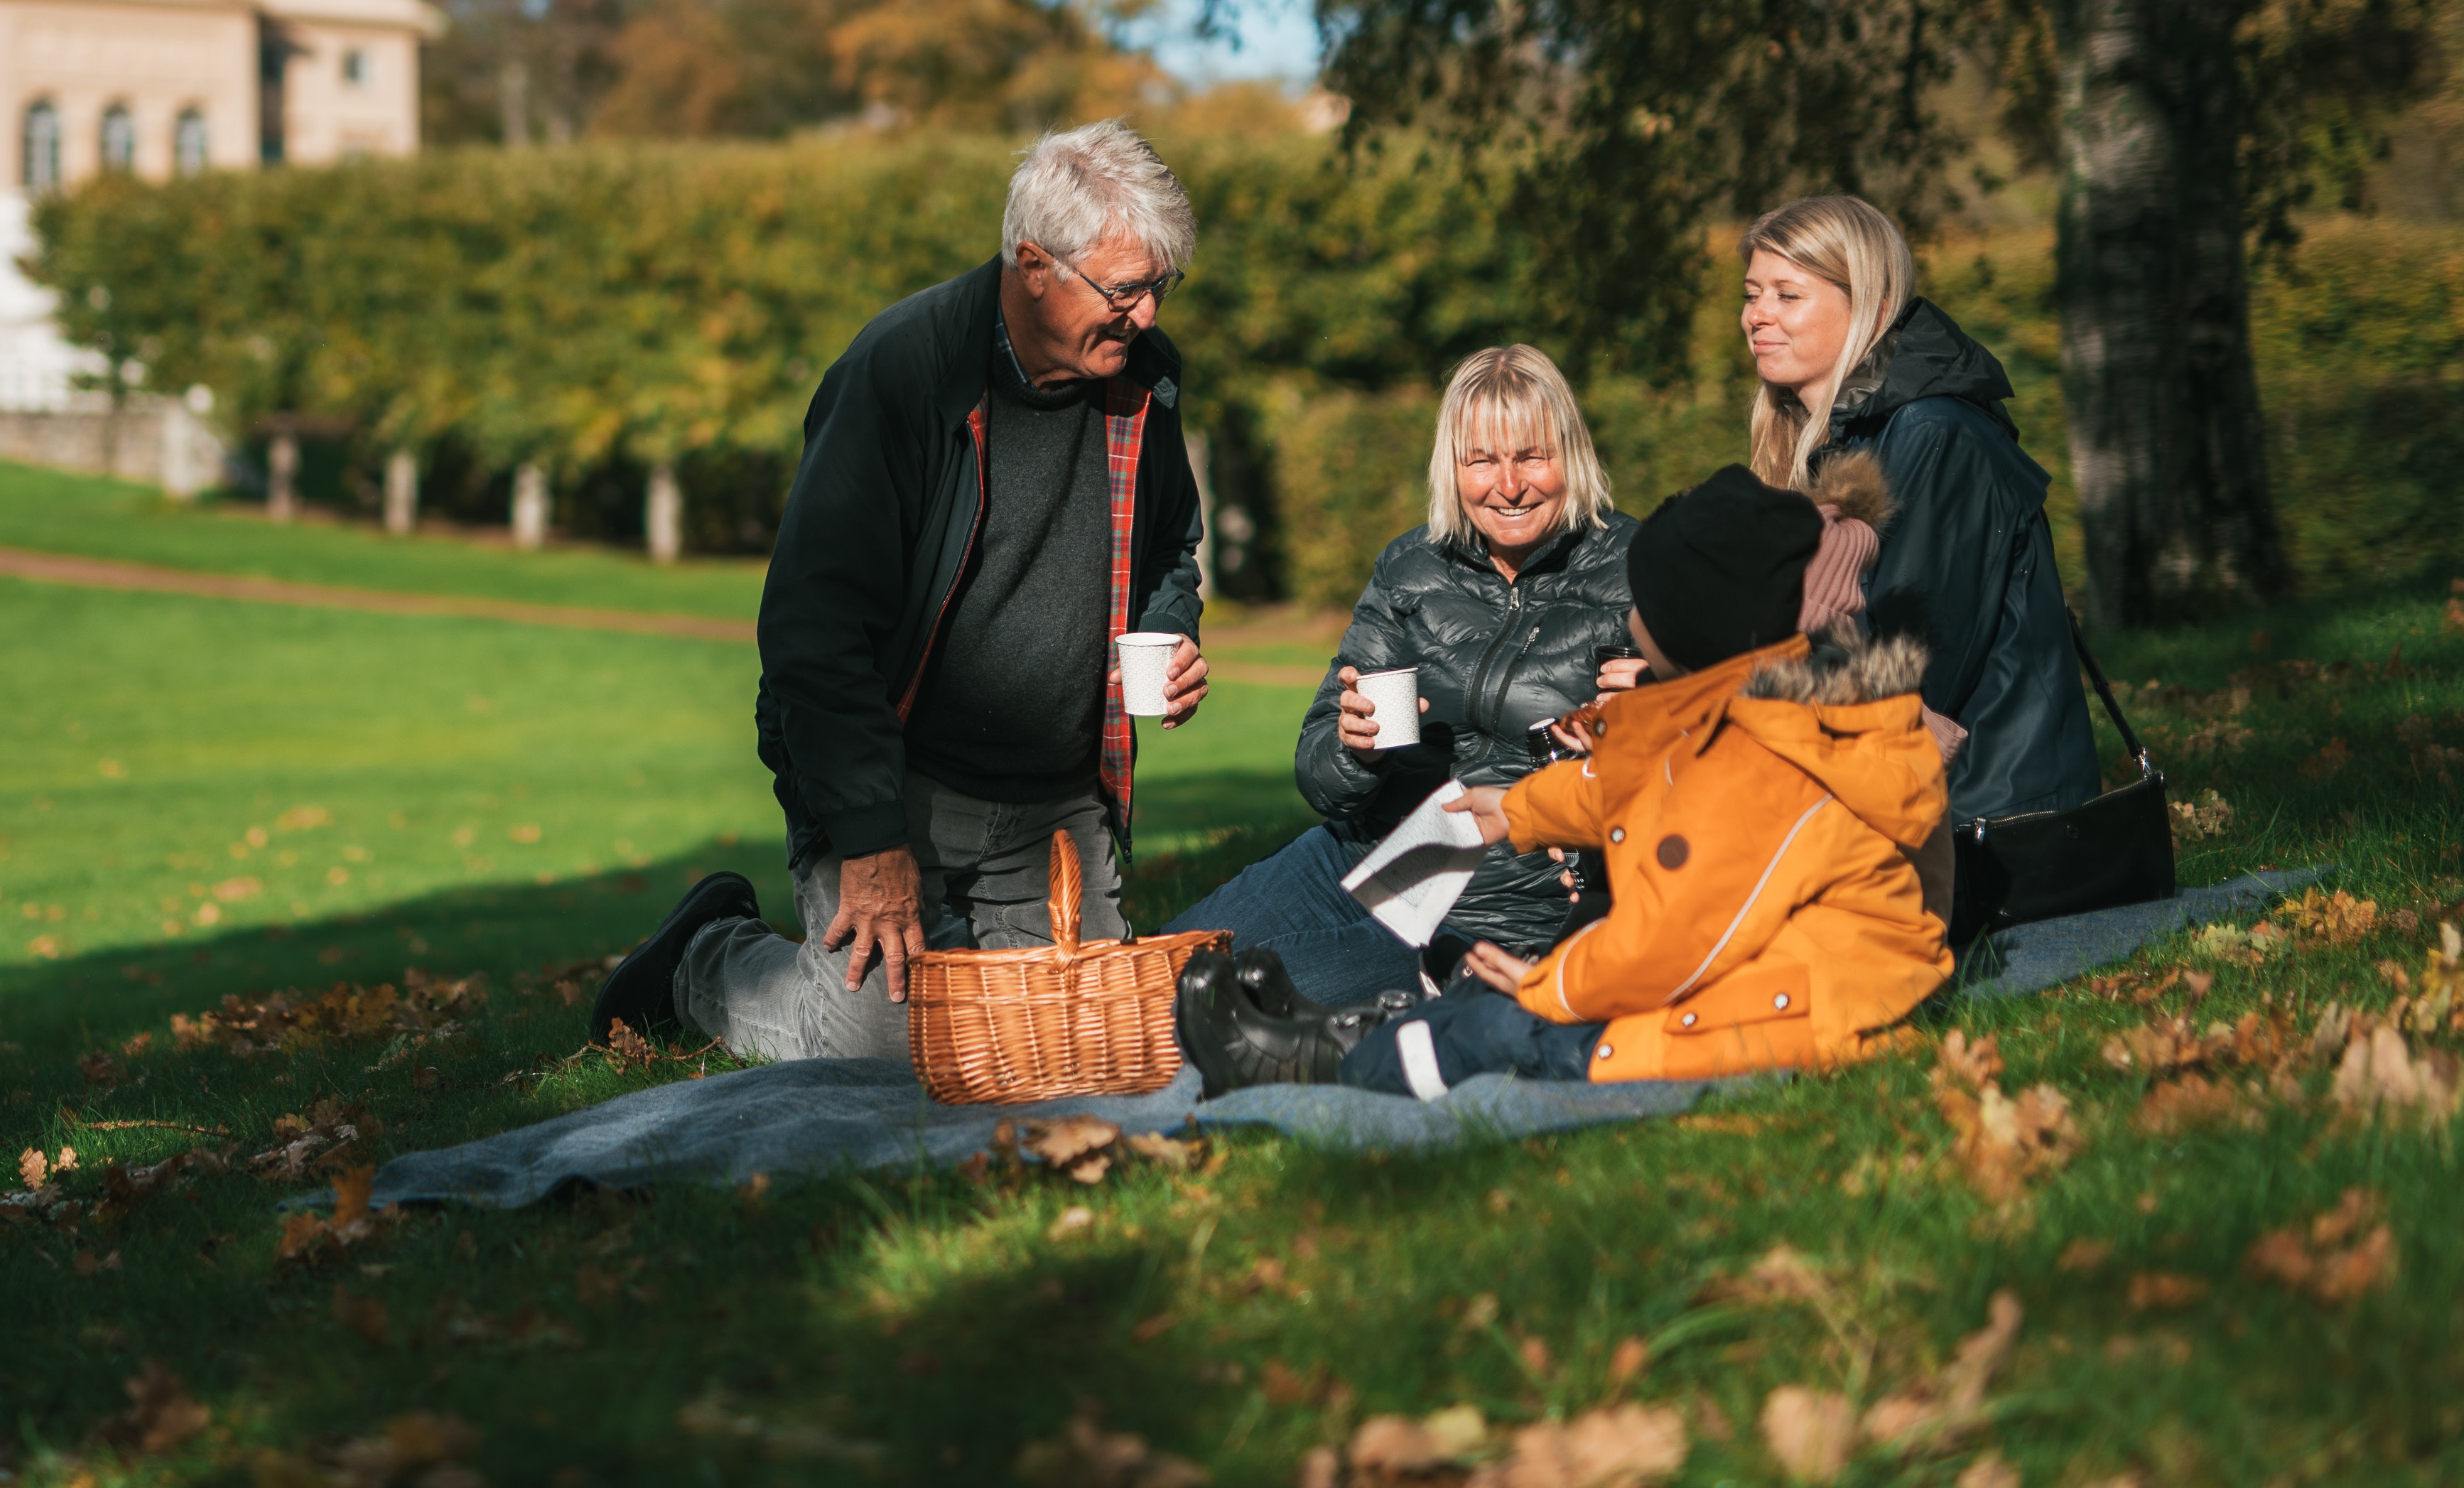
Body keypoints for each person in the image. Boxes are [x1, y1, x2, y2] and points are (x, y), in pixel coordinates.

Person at [588, 122, 1210, 1059]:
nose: (1150, 316)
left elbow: (1170, 547)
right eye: (1127, 290)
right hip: (895, 786)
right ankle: (704, 956)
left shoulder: (1140, 384)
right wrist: (871, 841)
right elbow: (814, 624)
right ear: (1034, 265)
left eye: (1162, 287)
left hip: (1052, 810)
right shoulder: (903, 373)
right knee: (891, 1050)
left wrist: (1167, 630)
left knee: (1073, 1046)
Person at [1222, 460, 1953, 1097]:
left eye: (1645, 606)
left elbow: (1667, 940)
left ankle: (1328, 1074)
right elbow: (1627, 785)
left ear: (1682, 627)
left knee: (1493, 1030)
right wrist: (1517, 807)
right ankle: (1342, 1044)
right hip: (1765, 987)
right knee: (1482, 1010)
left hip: (1788, 1021)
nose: (1630, 617)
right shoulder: (1736, 710)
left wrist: (1550, 986)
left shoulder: (1758, 762)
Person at [1163, 346, 1640, 1048]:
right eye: (1480, 461)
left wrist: (1653, 704)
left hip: (1505, 896)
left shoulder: (1636, 570)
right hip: (1380, 846)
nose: (1505, 486)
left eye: (1530, 457)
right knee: (1161, 966)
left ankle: (1430, 991)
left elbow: (1707, 751)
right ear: (1452, 467)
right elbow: (1319, 777)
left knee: (1237, 1002)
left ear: (1571, 454)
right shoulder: (1412, 566)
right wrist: (1352, 748)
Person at [1739, 195, 2092, 824]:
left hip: (1987, 822)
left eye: (1787, 296)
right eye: (1752, 293)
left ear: (1869, 307)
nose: (1758, 316)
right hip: (1911, 801)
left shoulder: (1934, 433)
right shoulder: (1837, 438)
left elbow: (1911, 674)